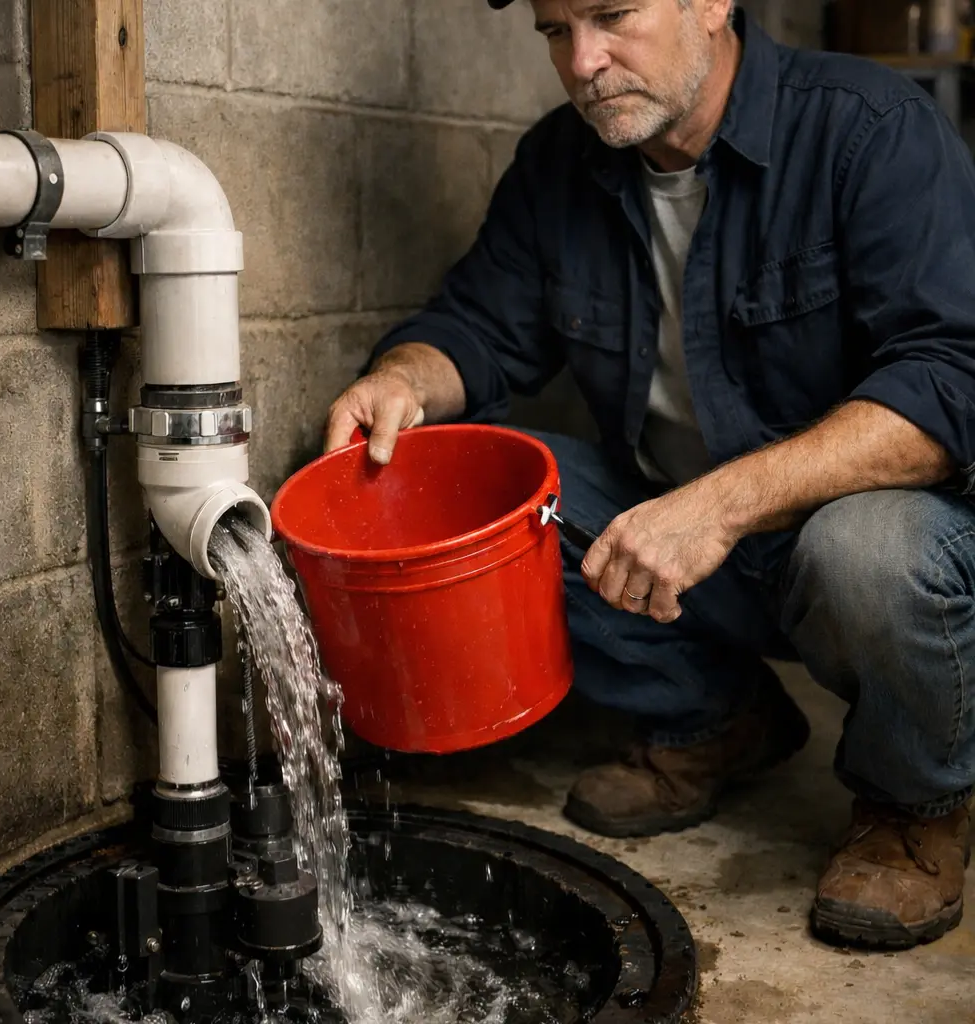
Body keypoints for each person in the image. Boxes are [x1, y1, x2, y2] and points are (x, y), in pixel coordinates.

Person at [323, 0, 975, 951]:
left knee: (870, 553)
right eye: (555, 29)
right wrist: (400, 381)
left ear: (712, 3)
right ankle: (719, 717)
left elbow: (952, 383)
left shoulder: (868, 128)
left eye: (612, 14)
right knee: (490, 495)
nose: (583, 60)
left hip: (854, 537)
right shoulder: (559, 165)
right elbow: (477, 327)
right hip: (681, 536)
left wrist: (717, 505)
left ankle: (914, 805)